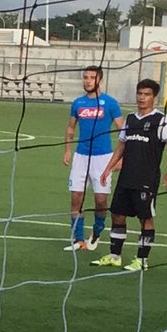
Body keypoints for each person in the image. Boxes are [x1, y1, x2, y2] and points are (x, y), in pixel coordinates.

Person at [92, 78, 167, 270]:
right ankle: (115, 256)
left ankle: (142, 260)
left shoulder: (161, 120)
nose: (142, 98)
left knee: (145, 217)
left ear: (154, 97)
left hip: (146, 178)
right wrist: (108, 168)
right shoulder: (130, 119)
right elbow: (122, 145)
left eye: (146, 94)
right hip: (126, 177)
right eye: (140, 94)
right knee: (117, 214)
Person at [63, 65, 121, 251]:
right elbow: (71, 128)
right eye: (85, 77)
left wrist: (121, 157)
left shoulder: (110, 103)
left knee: (101, 200)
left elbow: (124, 131)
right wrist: (67, 150)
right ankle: (78, 239)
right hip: (81, 156)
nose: (88, 80)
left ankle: (96, 232)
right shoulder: (78, 103)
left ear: (100, 80)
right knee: (76, 197)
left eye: (92, 77)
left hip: (103, 157)